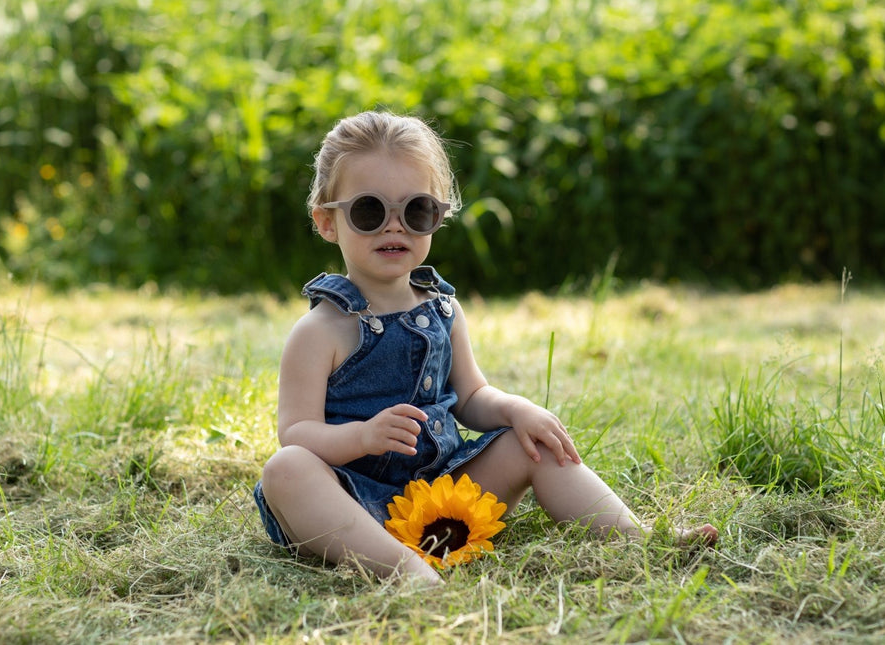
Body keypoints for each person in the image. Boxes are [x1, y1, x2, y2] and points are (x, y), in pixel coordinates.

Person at [254, 111, 717, 584]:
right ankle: (403, 568)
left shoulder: (444, 310)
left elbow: (472, 398)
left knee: (531, 443)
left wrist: (516, 409)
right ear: (327, 222)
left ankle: (635, 537)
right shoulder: (319, 330)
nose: (395, 227)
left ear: (437, 216)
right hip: (351, 504)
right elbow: (297, 433)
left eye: (416, 211)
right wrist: (363, 437)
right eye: (369, 212)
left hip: (445, 496)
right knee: (286, 470)